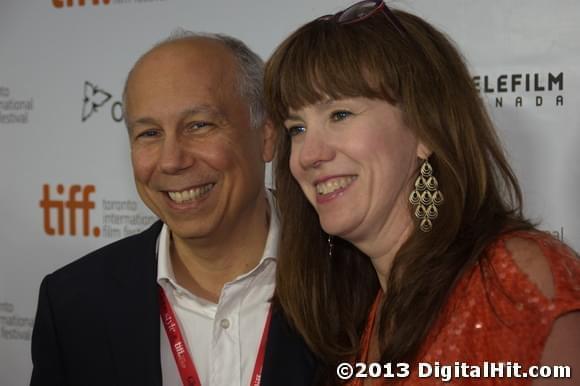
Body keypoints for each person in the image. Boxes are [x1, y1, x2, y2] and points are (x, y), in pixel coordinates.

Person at [263, 1, 580, 385]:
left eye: (340, 115)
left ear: (426, 130)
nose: (310, 155)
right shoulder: (363, 312)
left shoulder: (510, 280)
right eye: (297, 128)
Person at [30, 32, 316, 386]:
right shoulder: (74, 303)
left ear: (267, 136)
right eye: (149, 133)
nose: (171, 161)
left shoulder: (355, 282)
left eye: (198, 125)